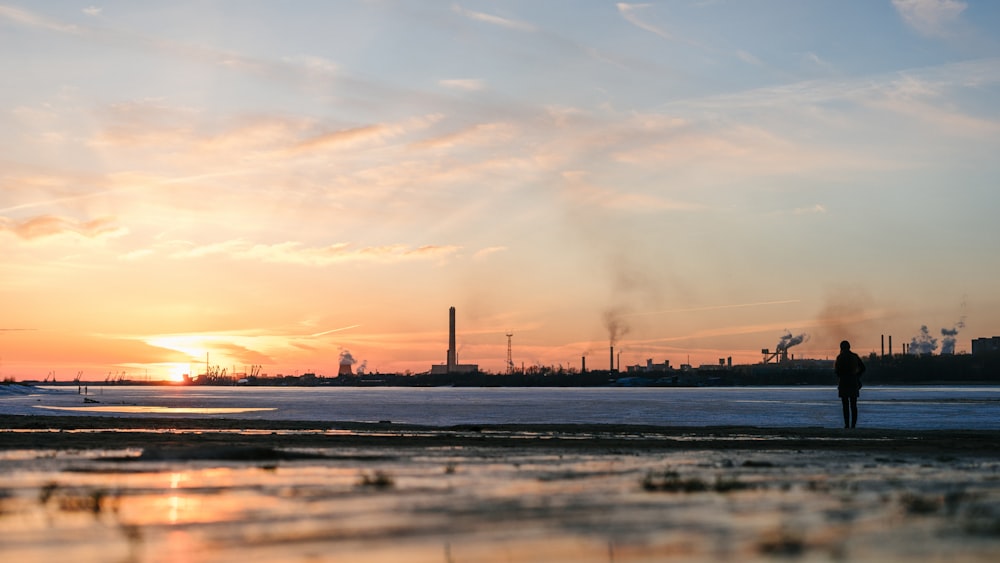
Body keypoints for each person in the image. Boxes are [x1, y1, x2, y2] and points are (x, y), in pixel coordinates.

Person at [835, 340, 865, 428]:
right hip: (853, 382)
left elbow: (837, 371)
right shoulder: (854, 357)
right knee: (853, 404)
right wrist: (857, 376)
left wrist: (841, 376)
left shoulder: (840, 357)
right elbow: (863, 368)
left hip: (843, 382)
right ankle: (853, 425)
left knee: (845, 405)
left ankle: (847, 425)